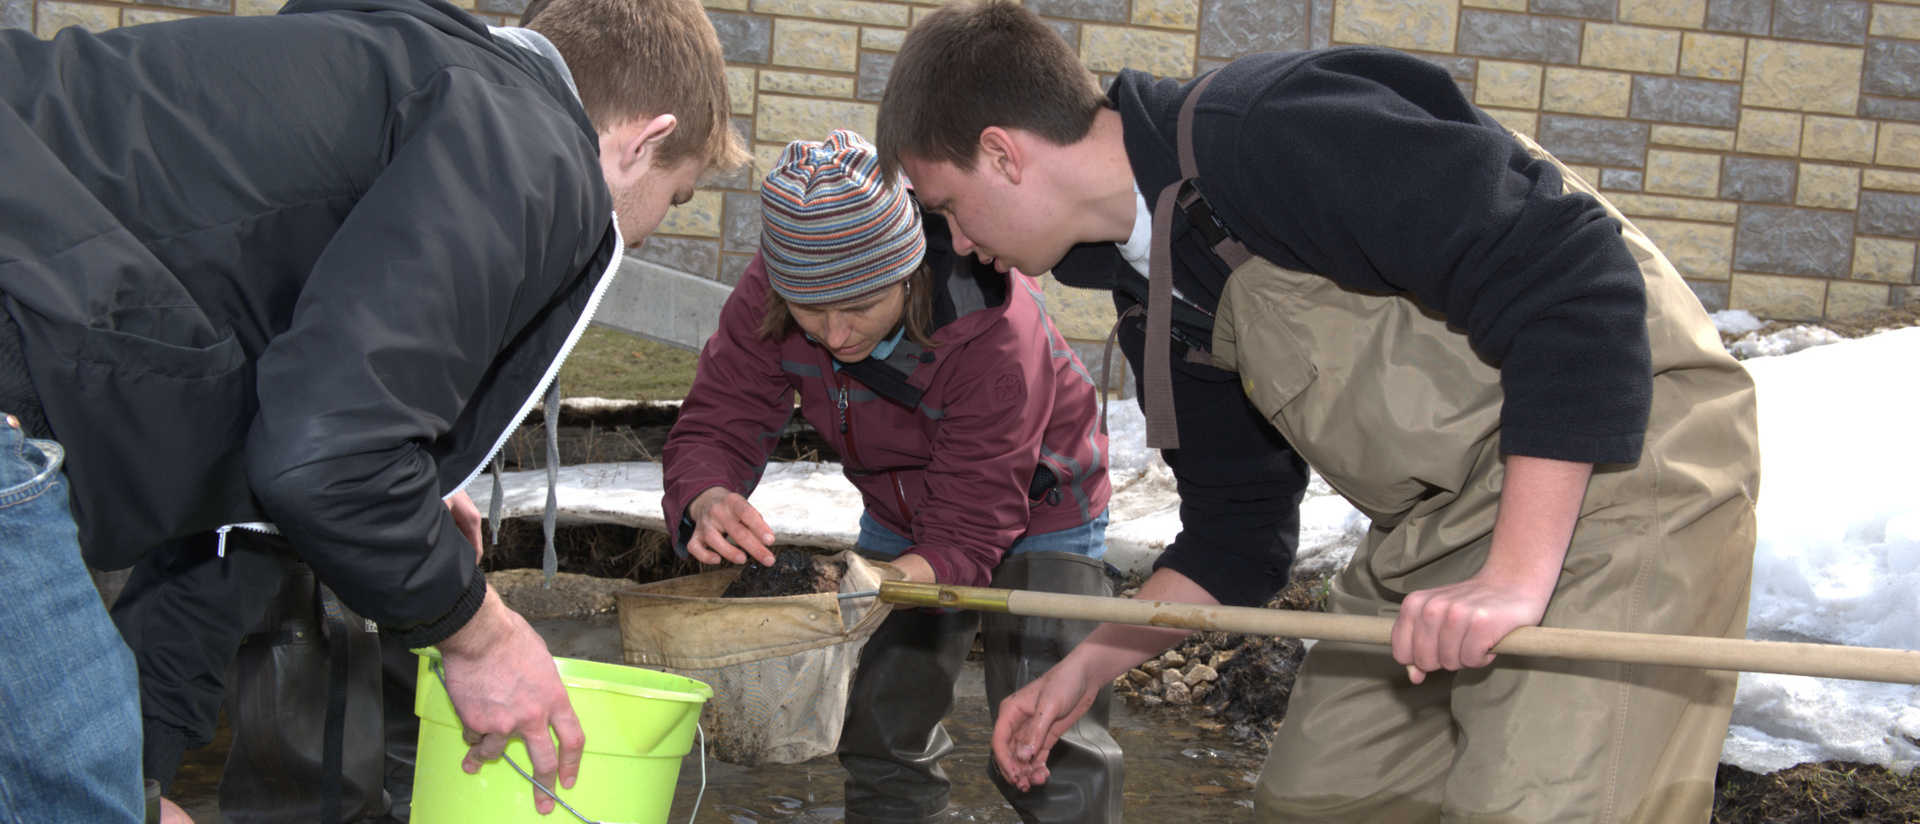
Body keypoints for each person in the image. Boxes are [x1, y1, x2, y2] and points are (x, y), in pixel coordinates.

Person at [871, 3, 1763, 822]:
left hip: (1624, 475)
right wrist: (1085, 667)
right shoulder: (1155, 306)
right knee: (1314, 801)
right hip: (1434, 526)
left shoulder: (1262, 129)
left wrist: (1513, 578)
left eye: (945, 206)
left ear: (1002, 152)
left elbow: (1572, 274)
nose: (954, 242)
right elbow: (1239, 538)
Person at [0, 0, 745, 817]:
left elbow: (264, 504)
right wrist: (482, 635)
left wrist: (140, 783)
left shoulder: (402, 81)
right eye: (675, 199)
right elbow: (324, 459)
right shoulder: (529, 151)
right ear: (643, 141)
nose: (638, 241)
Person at [662, 129, 1124, 824]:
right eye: (812, 312)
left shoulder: (995, 331)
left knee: (1044, 739)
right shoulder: (777, 291)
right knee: (879, 725)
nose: (835, 334)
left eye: (857, 308)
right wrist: (706, 494)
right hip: (896, 508)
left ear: (907, 274)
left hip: (1040, 509)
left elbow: (970, 525)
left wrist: (872, 587)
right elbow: (720, 414)